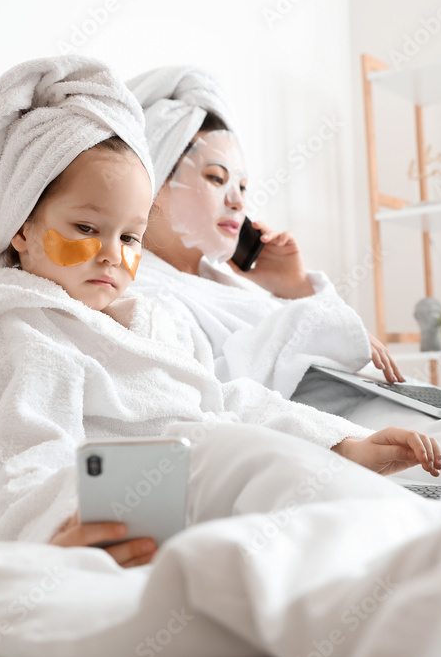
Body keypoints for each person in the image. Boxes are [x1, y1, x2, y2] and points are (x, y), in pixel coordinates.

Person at [0, 57, 441, 570]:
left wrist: (341, 443)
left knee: (347, 515)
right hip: (147, 505)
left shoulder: (149, 319)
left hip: (213, 484)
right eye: (86, 229)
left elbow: (226, 400)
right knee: (291, 493)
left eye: (129, 236)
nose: (113, 253)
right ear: (20, 226)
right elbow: (23, 456)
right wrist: (56, 531)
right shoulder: (25, 330)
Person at [125, 66, 405, 417]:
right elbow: (208, 399)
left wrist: (297, 287)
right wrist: (307, 321)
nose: (239, 202)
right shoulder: (143, 297)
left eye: (242, 186)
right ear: (151, 184)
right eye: (216, 178)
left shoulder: (230, 285)